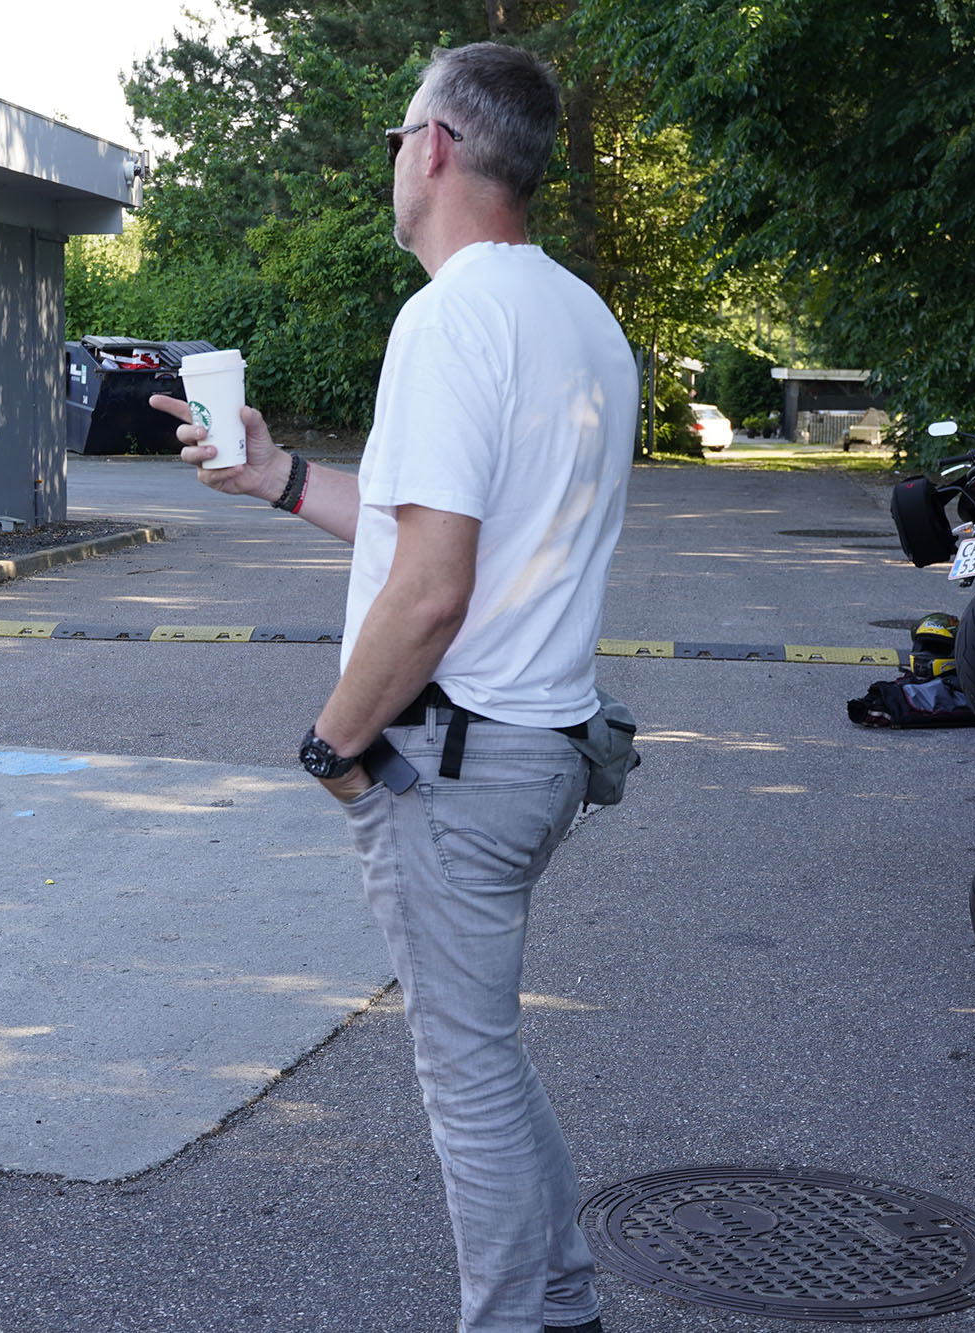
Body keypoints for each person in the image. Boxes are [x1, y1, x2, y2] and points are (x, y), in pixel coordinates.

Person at [154, 43, 635, 1333]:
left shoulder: (448, 317)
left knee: (463, 1077)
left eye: (393, 139)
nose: (390, 163)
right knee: (484, 1056)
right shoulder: (576, 316)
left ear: (434, 145)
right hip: (542, 746)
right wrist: (277, 479)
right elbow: (434, 524)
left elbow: (428, 592)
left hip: (456, 764)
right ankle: (562, 1303)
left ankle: (519, 1317)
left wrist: (333, 744)